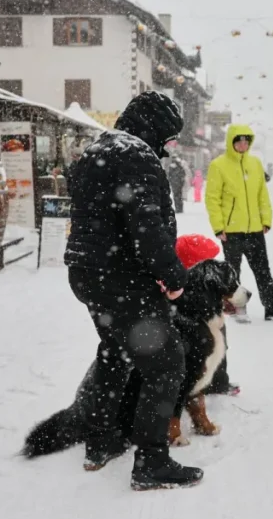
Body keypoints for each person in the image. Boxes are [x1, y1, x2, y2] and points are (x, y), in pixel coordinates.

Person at [64, 90, 203, 490]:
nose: (168, 147)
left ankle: (101, 441)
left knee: (114, 352)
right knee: (167, 363)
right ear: (153, 127)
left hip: (87, 273)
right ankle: (151, 462)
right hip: (122, 278)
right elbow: (146, 227)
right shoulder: (136, 155)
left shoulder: (97, 150)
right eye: (168, 137)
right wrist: (174, 276)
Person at [204, 124, 273, 395]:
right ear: (231, 141)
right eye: (238, 140)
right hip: (231, 230)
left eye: (246, 140)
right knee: (232, 274)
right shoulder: (219, 165)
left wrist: (266, 219)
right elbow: (212, 198)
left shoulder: (255, 164)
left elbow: (261, 195)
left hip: (255, 228)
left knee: (263, 270)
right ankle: (237, 307)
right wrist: (218, 226)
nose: (242, 144)